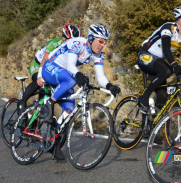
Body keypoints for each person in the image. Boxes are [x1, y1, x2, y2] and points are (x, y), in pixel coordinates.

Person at [41, 24, 121, 159]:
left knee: (69, 109)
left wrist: (109, 86)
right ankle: (49, 103)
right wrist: (78, 75)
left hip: (64, 75)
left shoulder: (98, 55)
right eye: (100, 41)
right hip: (50, 67)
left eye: (105, 42)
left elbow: (100, 76)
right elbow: (70, 65)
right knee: (72, 80)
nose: (102, 45)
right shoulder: (77, 43)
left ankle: (53, 142)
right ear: (91, 38)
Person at [137, 6, 181, 112]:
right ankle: (144, 96)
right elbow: (166, 49)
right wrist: (174, 64)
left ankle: (151, 125)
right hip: (145, 55)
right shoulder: (168, 27)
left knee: (162, 96)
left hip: (157, 61)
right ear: (180, 19)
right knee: (167, 70)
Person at [17, 23, 80, 114]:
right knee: (39, 82)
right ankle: (23, 101)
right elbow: (44, 60)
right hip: (39, 64)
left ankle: (39, 110)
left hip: (52, 66)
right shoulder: (54, 43)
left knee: (51, 92)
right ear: (63, 38)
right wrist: (40, 76)